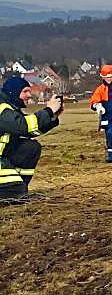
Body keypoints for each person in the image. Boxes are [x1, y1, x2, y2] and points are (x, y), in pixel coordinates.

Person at [0, 75, 63, 204]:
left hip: (3, 157)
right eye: (25, 91)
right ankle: (14, 190)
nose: (29, 95)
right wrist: (49, 110)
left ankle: (19, 185)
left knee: (31, 147)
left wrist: (52, 118)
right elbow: (23, 126)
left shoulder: (10, 109)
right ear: (13, 92)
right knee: (16, 196)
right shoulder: (2, 109)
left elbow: (29, 131)